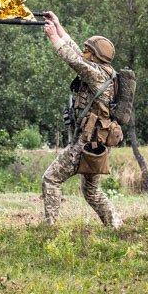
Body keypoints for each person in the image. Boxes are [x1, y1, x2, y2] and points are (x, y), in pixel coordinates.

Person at [40, 11, 123, 229]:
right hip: (98, 141)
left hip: (87, 143)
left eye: (89, 51)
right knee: (91, 190)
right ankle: (115, 225)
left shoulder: (96, 74)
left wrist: (52, 36)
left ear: (96, 56)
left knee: (51, 179)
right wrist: (58, 25)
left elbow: (73, 59)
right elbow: (77, 52)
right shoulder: (103, 70)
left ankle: (50, 228)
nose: (85, 52)